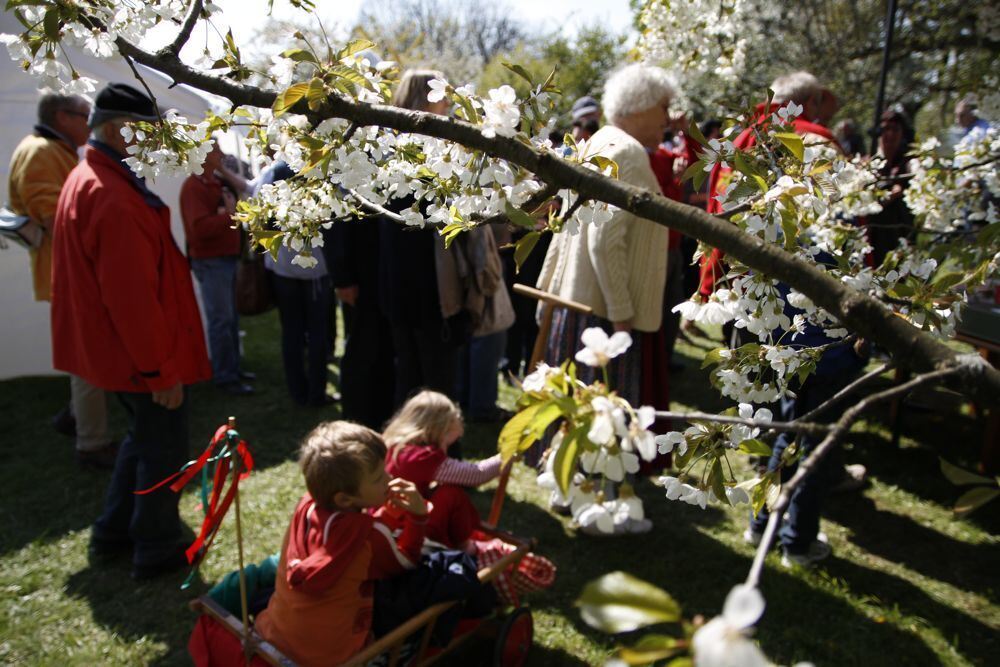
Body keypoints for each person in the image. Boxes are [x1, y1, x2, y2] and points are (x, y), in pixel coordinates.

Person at [51, 82, 211, 578]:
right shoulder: (110, 194)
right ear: (121, 130)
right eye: (149, 132)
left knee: (142, 440)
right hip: (139, 356)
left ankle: (113, 530)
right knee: (163, 449)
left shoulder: (92, 177)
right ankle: (156, 544)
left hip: (121, 353)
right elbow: (132, 299)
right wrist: (159, 371)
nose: (157, 143)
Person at [536, 63, 673, 407]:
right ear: (642, 104)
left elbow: (567, 223)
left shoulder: (600, 141)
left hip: (576, 305)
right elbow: (604, 240)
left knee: (571, 423)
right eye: (664, 107)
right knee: (600, 431)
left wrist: (547, 292)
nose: (667, 119)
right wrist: (622, 319)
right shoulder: (627, 152)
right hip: (603, 318)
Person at [255, 421, 428, 667]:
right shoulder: (370, 536)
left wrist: (384, 516)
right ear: (345, 498)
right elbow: (407, 559)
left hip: (277, 637)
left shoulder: (304, 506)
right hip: (335, 657)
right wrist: (419, 516)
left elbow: (341, 538)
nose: (389, 479)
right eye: (379, 477)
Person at [7, 92, 117, 468]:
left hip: (69, 271)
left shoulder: (50, 149)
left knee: (90, 352)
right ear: (61, 116)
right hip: (69, 273)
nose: (89, 123)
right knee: (88, 358)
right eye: (84, 115)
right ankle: (92, 443)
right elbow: (57, 218)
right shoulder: (41, 151)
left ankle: (75, 417)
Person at [378, 70, 467, 405]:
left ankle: (412, 450)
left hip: (402, 285)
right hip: (428, 286)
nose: (447, 103)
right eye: (442, 96)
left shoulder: (389, 146)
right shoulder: (421, 152)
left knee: (412, 376)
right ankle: (436, 452)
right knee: (434, 381)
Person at [256, 161, 335, 407]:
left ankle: (301, 392)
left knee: (293, 331)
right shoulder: (319, 168)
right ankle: (313, 393)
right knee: (315, 332)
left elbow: (258, 214)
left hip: (286, 267)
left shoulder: (273, 171)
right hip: (310, 268)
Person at [383, 390, 501, 550]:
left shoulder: (393, 444)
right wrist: (507, 457)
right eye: (447, 442)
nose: (446, 449)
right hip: (403, 529)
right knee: (451, 494)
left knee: (440, 492)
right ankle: (465, 546)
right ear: (438, 431)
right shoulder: (424, 458)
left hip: (384, 521)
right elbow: (475, 474)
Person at [180, 143, 254, 395]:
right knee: (221, 321)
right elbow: (199, 229)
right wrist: (229, 215)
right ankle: (225, 376)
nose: (221, 155)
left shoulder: (213, 182)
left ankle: (232, 369)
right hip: (212, 262)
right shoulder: (194, 187)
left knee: (230, 318)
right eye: (215, 151)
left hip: (224, 259)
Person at [867, 106, 917, 266]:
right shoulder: (869, 162)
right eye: (885, 129)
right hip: (874, 235)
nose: (889, 134)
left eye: (895, 129)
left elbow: (910, 178)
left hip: (899, 233)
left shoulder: (907, 161)